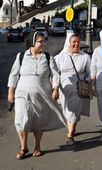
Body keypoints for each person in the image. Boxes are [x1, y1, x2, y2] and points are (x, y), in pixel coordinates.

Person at [7, 31, 66, 160]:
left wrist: (55, 88)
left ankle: (37, 146)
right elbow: (14, 75)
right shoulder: (21, 56)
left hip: (41, 95)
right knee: (21, 119)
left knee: (38, 121)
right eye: (40, 41)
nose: (43, 43)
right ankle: (23, 147)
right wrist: (10, 91)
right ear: (33, 42)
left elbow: (55, 74)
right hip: (22, 94)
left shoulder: (47, 57)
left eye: (43, 41)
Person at [54, 34, 91, 145]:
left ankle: (70, 136)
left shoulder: (85, 57)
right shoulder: (60, 57)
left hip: (78, 88)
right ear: (69, 43)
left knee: (73, 110)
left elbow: (90, 73)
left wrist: (88, 82)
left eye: (78, 42)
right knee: (66, 110)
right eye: (74, 42)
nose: (76, 44)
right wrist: (55, 87)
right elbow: (55, 73)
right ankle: (72, 126)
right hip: (63, 89)